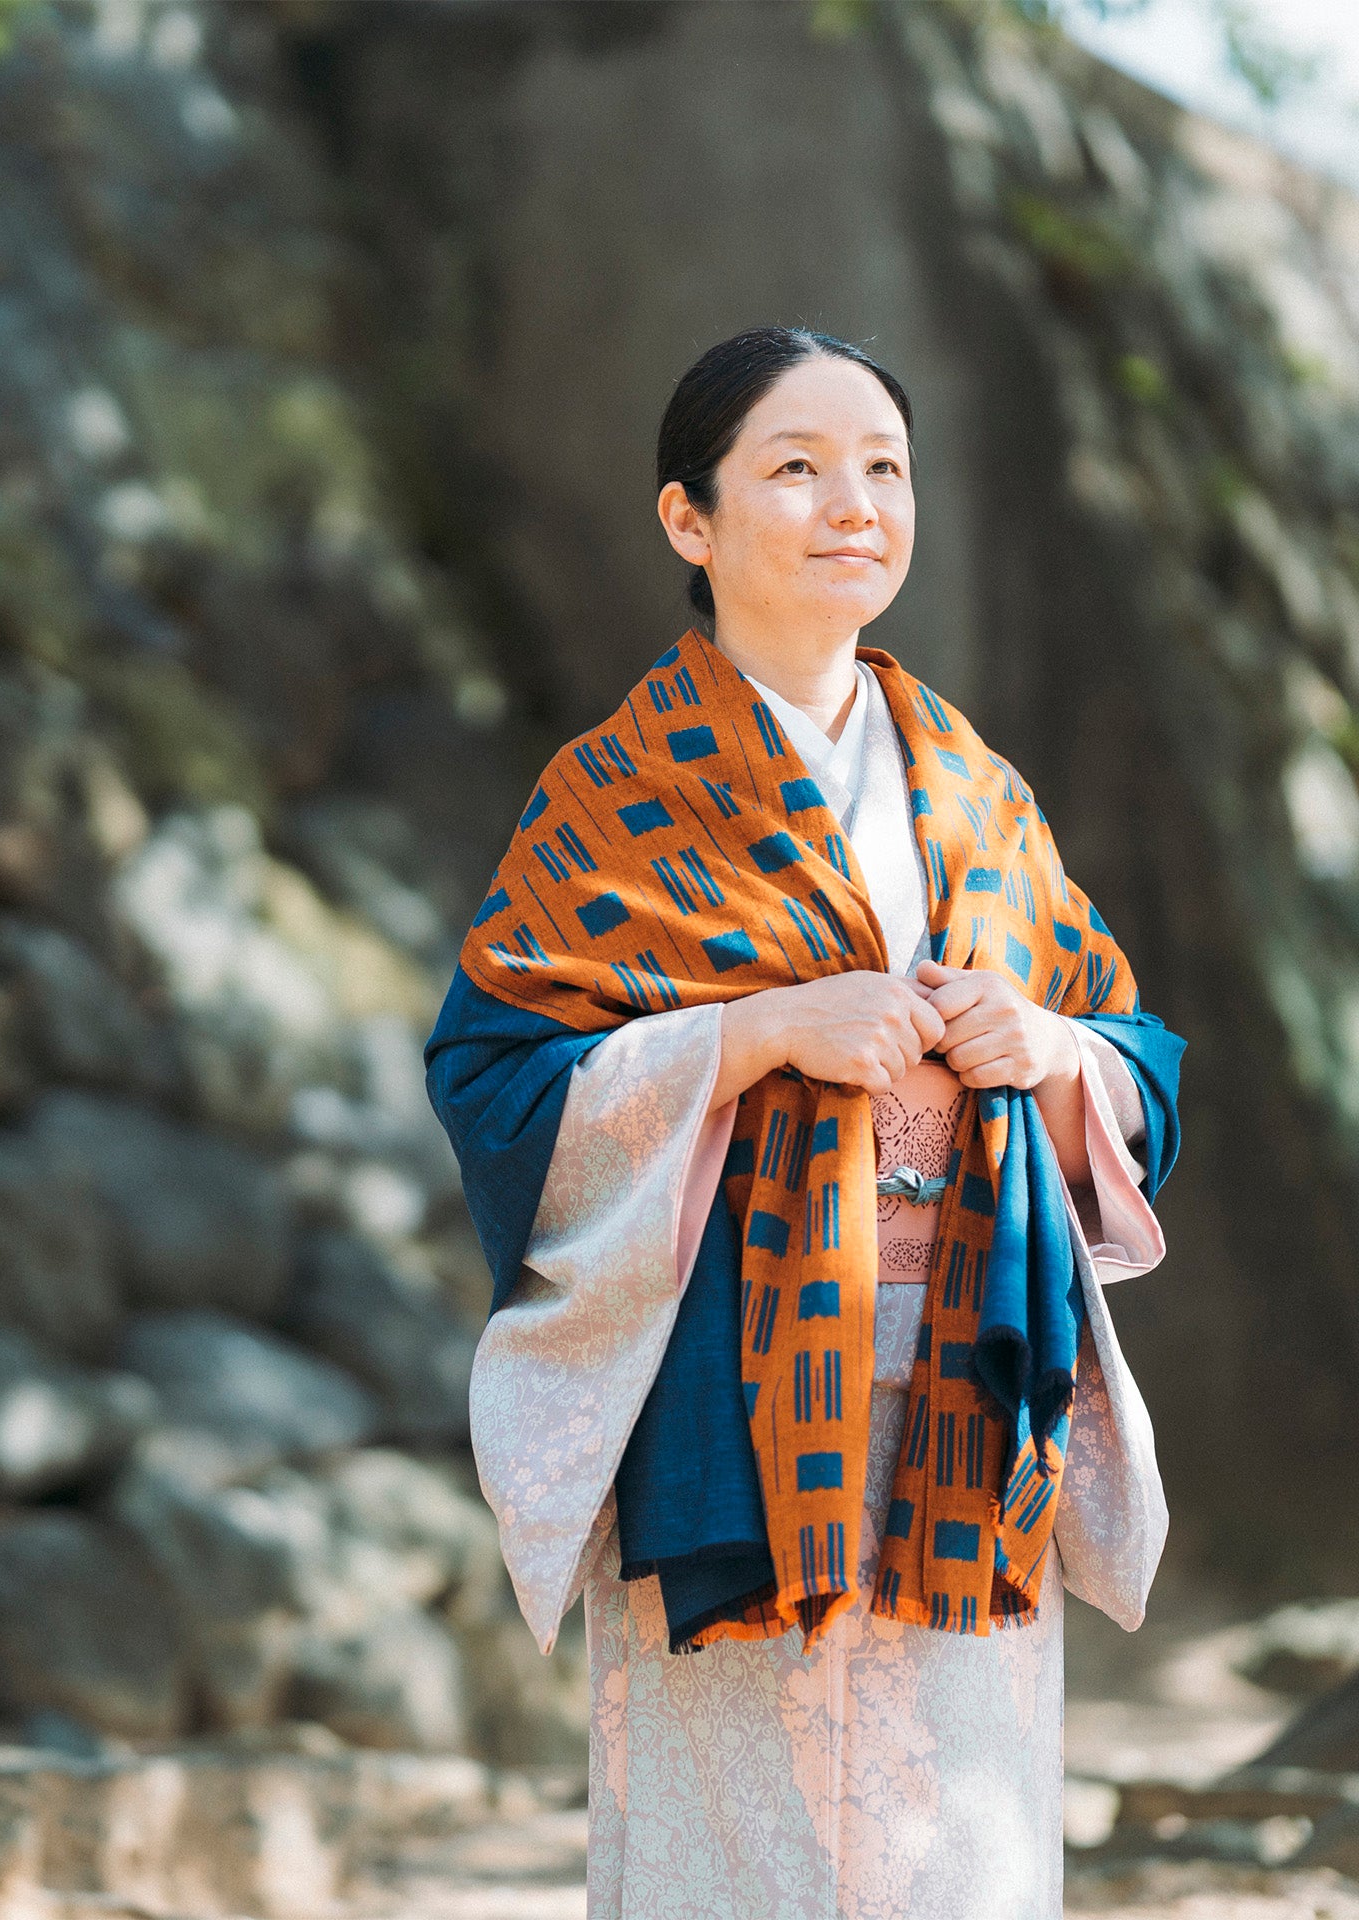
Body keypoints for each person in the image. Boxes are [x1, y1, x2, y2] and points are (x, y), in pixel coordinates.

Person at [424, 326, 1184, 1920]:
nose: (856, 503)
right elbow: (495, 1075)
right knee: (738, 1842)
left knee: (952, 1831)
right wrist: (753, 1034)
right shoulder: (613, 791)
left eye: (885, 468)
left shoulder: (978, 792)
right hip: (730, 1386)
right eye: (797, 465)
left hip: (972, 1375)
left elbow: (1131, 1051)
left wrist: (1046, 1048)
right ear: (688, 522)